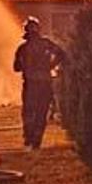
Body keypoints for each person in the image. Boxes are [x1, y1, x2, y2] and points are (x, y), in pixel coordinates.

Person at [12, 17, 66, 149]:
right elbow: (61, 54)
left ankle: (29, 137)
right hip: (45, 83)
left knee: (29, 111)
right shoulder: (46, 44)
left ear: (26, 33)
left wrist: (26, 66)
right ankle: (36, 140)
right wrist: (50, 65)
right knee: (42, 112)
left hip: (31, 84)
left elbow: (16, 68)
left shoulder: (23, 49)